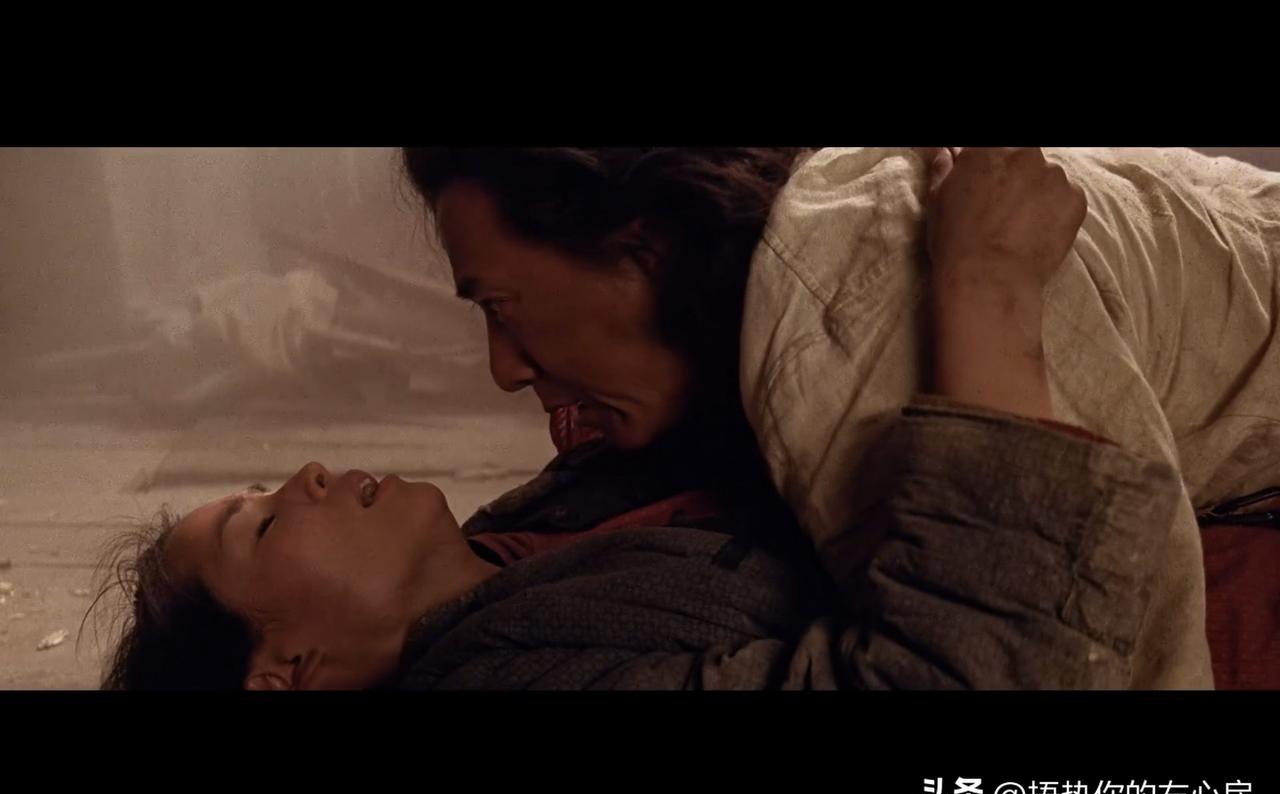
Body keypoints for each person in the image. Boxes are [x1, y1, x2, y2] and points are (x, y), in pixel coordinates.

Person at [90, 148, 1188, 688]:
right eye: (261, 524)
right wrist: (986, 289)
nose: (307, 474)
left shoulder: (530, 528)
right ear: (285, 671)